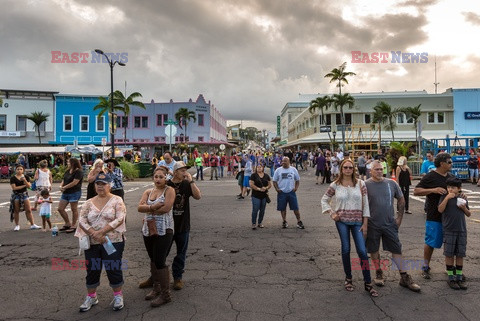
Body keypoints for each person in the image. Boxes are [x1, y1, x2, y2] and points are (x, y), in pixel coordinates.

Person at [321, 159, 378, 297]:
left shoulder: (360, 183)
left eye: (350, 167)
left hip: (358, 221)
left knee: (362, 252)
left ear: (354, 169)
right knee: (346, 249)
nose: (348, 170)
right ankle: (348, 278)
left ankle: (368, 282)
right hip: (342, 221)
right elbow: (324, 199)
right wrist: (331, 212)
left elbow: (365, 204)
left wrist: (365, 223)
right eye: (345, 167)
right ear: (341, 169)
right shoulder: (335, 185)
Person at [365, 161, 420, 292]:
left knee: (396, 249)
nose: (379, 171)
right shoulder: (365, 185)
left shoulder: (391, 183)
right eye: (376, 169)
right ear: (370, 171)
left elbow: (401, 199)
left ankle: (404, 277)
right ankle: (379, 272)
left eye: (381, 169)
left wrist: (399, 218)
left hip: (389, 223)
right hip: (372, 224)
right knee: (373, 249)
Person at [76, 173, 127, 312]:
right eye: (97, 184)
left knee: (113, 267)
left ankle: (118, 296)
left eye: (103, 184)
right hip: (92, 242)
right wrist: (94, 234)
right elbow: (82, 220)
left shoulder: (117, 200)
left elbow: (120, 218)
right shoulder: (89, 202)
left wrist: (102, 232)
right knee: (92, 269)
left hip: (113, 241)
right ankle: (91, 296)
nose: (100, 186)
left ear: (109, 185)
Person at [414, 152, 457, 279]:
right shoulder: (430, 176)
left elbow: (457, 191)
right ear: (442, 163)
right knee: (431, 242)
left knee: (450, 243)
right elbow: (416, 191)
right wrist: (433, 190)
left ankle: (450, 268)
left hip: (450, 217)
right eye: (449, 162)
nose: (451, 164)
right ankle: (425, 266)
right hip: (434, 215)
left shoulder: (451, 177)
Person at [137, 166, 175, 308]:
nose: (158, 179)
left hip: (164, 229)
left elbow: (166, 208)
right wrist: (152, 207)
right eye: (156, 176)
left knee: (160, 260)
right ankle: (156, 287)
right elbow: (139, 207)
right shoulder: (148, 191)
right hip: (148, 229)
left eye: (161, 177)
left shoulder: (169, 190)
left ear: (166, 178)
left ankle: (166, 295)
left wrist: (147, 208)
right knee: (153, 259)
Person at [167, 161, 201, 289]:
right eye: (182, 170)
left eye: (185, 170)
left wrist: (191, 181)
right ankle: (156, 277)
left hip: (183, 224)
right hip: (168, 225)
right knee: (162, 253)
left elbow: (198, 196)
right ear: (175, 172)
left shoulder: (187, 184)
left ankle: (177, 277)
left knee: (181, 253)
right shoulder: (168, 184)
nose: (185, 172)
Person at [438, 177, 471, 290]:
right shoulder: (444, 196)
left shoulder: (462, 198)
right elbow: (440, 210)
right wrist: (447, 198)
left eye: (453, 187)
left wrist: (464, 208)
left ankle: (459, 276)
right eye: (448, 187)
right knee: (449, 254)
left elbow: (469, 214)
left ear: (459, 188)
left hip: (461, 230)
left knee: (460, 254)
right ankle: (451, 278)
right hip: (449, 229)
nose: (450, 189)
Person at [272, 157, 305, 229]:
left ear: (289, 162)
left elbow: (297, 180)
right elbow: (274, 181)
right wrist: (277, 189)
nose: (283, 162)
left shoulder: (293, 169)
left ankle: (299, 221)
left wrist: (296, 188)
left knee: (295, 208)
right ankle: (284, 221)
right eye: (283, 161)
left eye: (285, 161)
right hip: (282, 192)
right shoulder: (278, 170)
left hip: (291, 192)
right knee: (282, 208)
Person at [9, 164, 40, 231]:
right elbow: (14, 188)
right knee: (16, 210)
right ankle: (17, 225)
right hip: (16, 195)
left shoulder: (26, 177)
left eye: (21, 169)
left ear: (23, 170)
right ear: (15, 170)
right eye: (18, 169)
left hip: (24, 194)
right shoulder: (13, 178)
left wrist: (25, 180)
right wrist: (24, 186)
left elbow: (29, 186)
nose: (19, 171)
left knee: (28, 210)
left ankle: (32, 224)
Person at [58, 158, 84, 234]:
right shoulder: (67, 171)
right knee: (60, 208)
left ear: (73, 163)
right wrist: (61, 186)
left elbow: (75, 182)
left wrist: (64, 187)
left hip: (74, 192)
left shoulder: (78, 172)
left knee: (74, 209)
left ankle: (73, 225)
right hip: (65, 192)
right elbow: (64, 180)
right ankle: (67, 223)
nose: (67, 163)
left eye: (68, 162)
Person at [249, 164, 272, 229]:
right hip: (255, 195)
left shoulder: (266, 175)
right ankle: (253, 223)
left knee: (262, 210)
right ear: (256, 168)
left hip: (264, 196)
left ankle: (260, 222)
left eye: (260, 167)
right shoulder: (253, 175)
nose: (259, 168)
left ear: (263, 168)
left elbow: (270, 184)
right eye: (258, 167)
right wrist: (259, 189)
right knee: (255, 209)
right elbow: (251, 184)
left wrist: (266, 188)